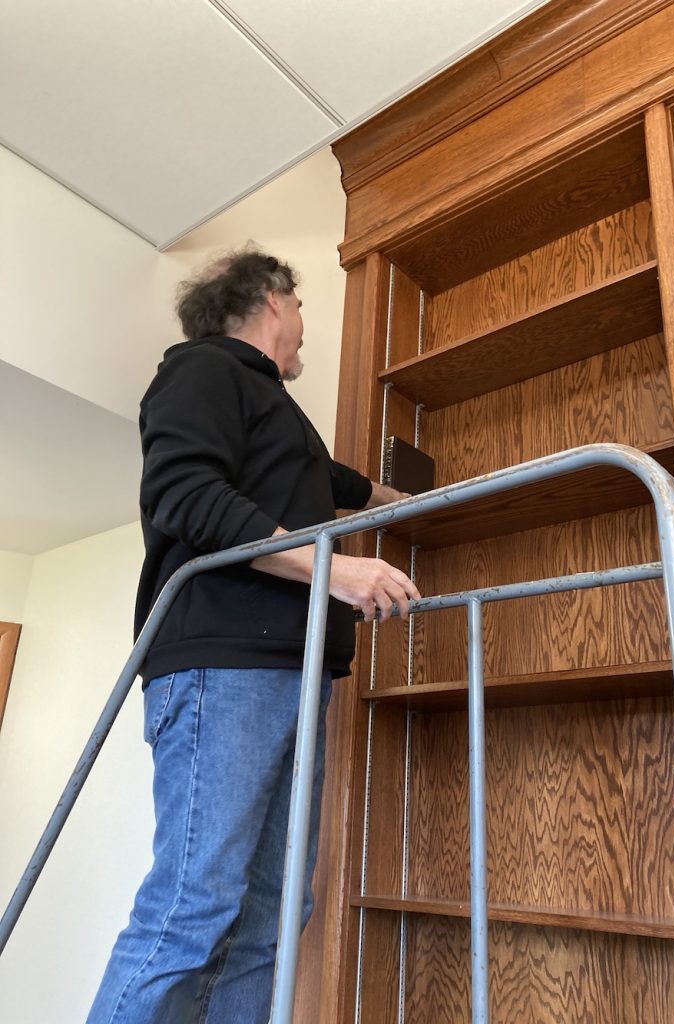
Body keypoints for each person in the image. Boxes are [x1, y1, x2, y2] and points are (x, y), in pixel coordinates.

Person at [87, 247, 420, 1023]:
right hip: (220, 665)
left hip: (292, 668)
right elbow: (184, 494)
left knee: (275, 912)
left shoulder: (273, 411)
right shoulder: (200, 371)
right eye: (301, 310)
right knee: (193, 906)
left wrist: (386, 494)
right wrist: (334, 570)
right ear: (274, 300)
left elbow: (324, 479)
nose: (304, 329)